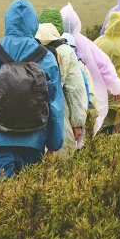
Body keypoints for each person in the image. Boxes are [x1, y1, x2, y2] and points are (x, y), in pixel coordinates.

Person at [0, 0, 64, 185]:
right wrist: (54, 144)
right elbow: (55, 105)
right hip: (33, 141)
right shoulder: (46, 58)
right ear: (33, 24)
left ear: (7, 22)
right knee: (28, 202)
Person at [60, 3, 120, 136]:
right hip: (92, 96)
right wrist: (115, 88)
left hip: (65, 99)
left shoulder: (55, 42)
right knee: (87, 135)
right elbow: (104, 66)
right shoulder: (85, 43)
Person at [35, 22, 88, 157]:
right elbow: (75, 90)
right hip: (59, 125)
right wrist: (78, 123)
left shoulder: (25, 50)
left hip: (27, 131)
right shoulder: (66, 51)